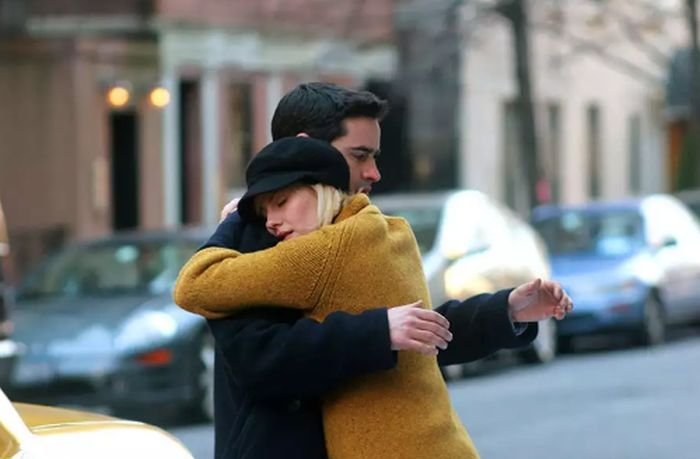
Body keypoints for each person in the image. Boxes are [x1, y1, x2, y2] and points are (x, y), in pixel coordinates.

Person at [183, 82, 572, 459]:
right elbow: (260, 362)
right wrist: (378, 331)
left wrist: (504, 310)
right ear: (305, 149)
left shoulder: (355, 232)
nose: (374, 172)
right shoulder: (251, 242)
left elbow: (414, 335)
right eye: (359, 156)